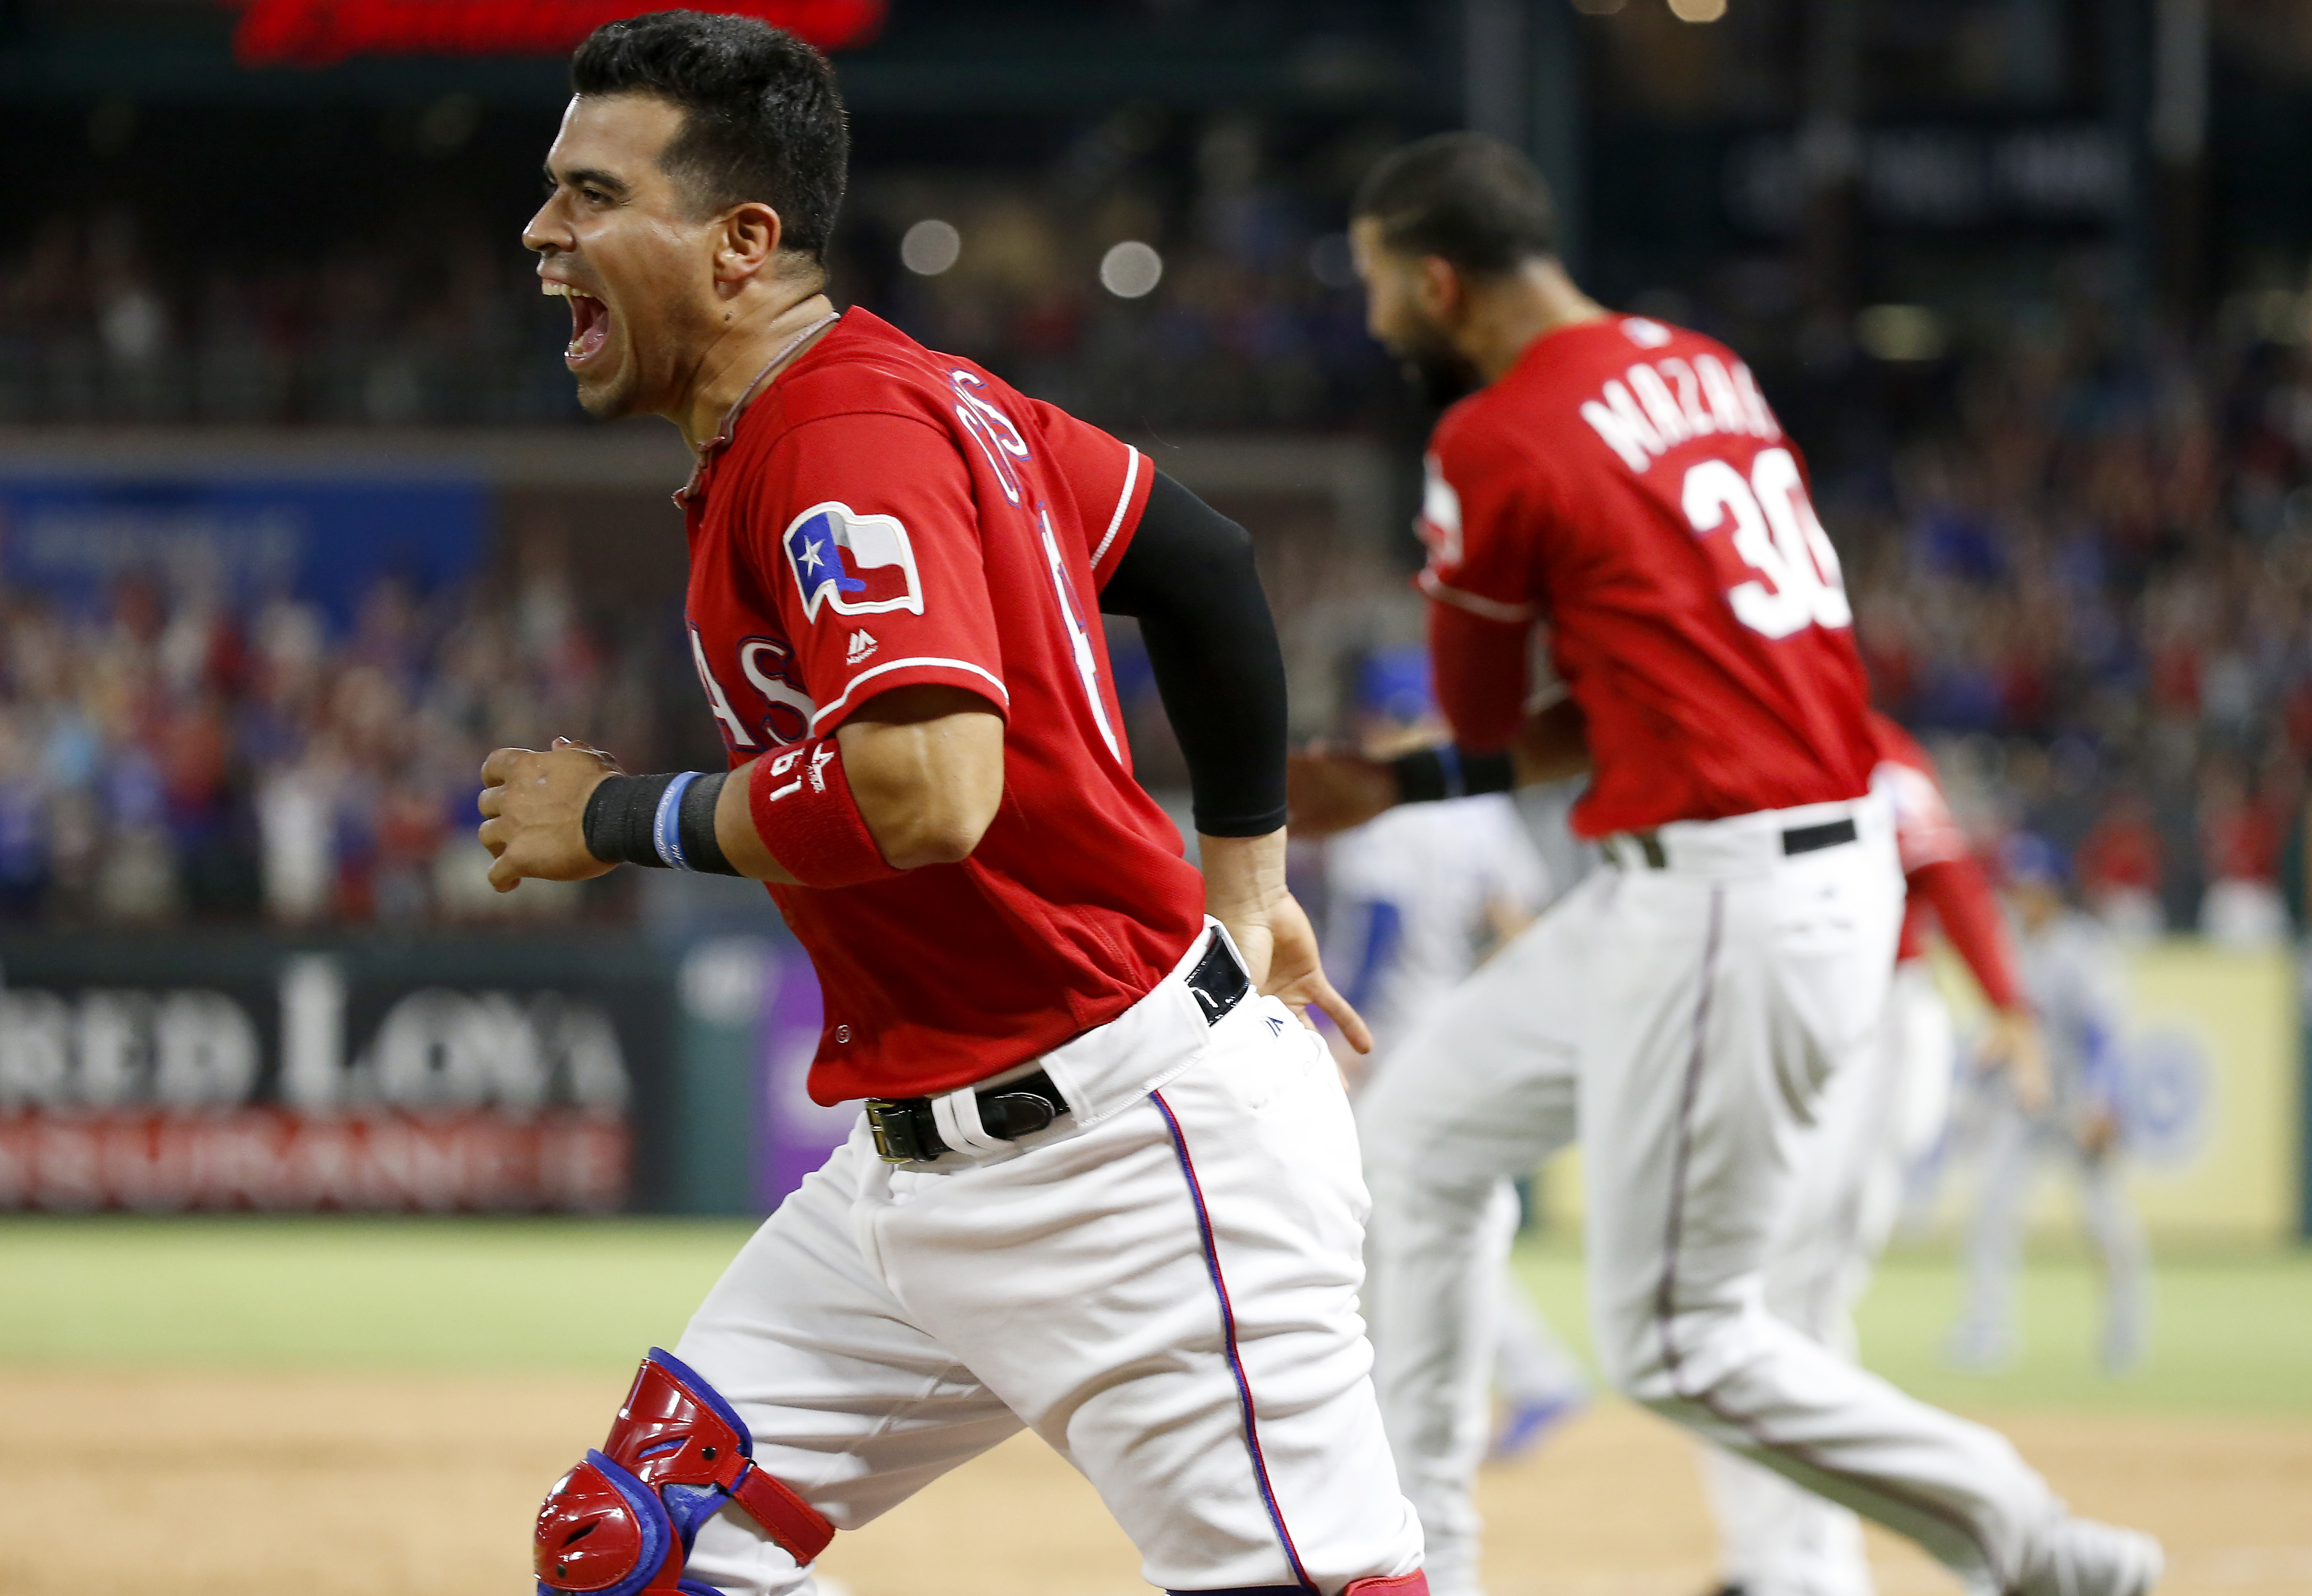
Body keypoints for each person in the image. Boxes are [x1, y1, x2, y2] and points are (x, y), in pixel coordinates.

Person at [484, 16, 1424, 1596]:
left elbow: (929, 790)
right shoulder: (906, 400)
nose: (542, 230)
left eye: (589, 194)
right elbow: (1202, 564)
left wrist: (620, 816)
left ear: (742, 244)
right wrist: (1246, 882)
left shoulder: (841, 432)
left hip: (1131, 1152)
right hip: (914, 1178)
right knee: (635, 1554)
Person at [1289, 131, 2161, 1596]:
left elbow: (1497, 713)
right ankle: (1412, 1562)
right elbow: (1647, 696)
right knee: (1420, 1146)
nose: (1374, 319)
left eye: (1379, 285)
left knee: (1680, 1339)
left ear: (1438, 283)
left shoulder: (1492, 436)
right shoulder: (1699, 367)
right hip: (1736, 864)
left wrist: (1403, 766)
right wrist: (1403, 784)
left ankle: (2033, 1543)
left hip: (1730, 888)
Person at [1695, 712, 2051, 1596]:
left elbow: (1946, 873)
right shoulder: (1721, 728)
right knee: (1726, 1306)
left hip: (1875, 1023)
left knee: (1795, 1302)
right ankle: (1765, 1558)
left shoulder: (1868, 742)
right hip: (1774, 1019)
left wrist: (2007, 1003)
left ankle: (1815, 1569)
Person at [1320, 645, 1590, 1466]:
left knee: (1380, 1221)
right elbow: (1517, 919)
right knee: (1416, 1217)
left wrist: (1338, 1036)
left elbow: (1375, 934)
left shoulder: (1382, 807)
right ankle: (1516, 1373)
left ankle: (1508, 1376)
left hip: (1385, 1036)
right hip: (1452, 1028)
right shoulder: (1477, 804)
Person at [1947, 834, 2151, 1377]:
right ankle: (1987, 1334)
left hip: (2079, 1107)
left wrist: (2105, 1102)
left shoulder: (2085, 949)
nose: (2022, 897)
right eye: (2016, 887)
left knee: (2108, 1227)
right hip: (2025, 1103)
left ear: (2056, 892)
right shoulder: (2005, 941)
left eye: (2032, 887)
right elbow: (1998, 1027)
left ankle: (2125, 1335)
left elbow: (2105, 1035)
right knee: (1991, 1216)